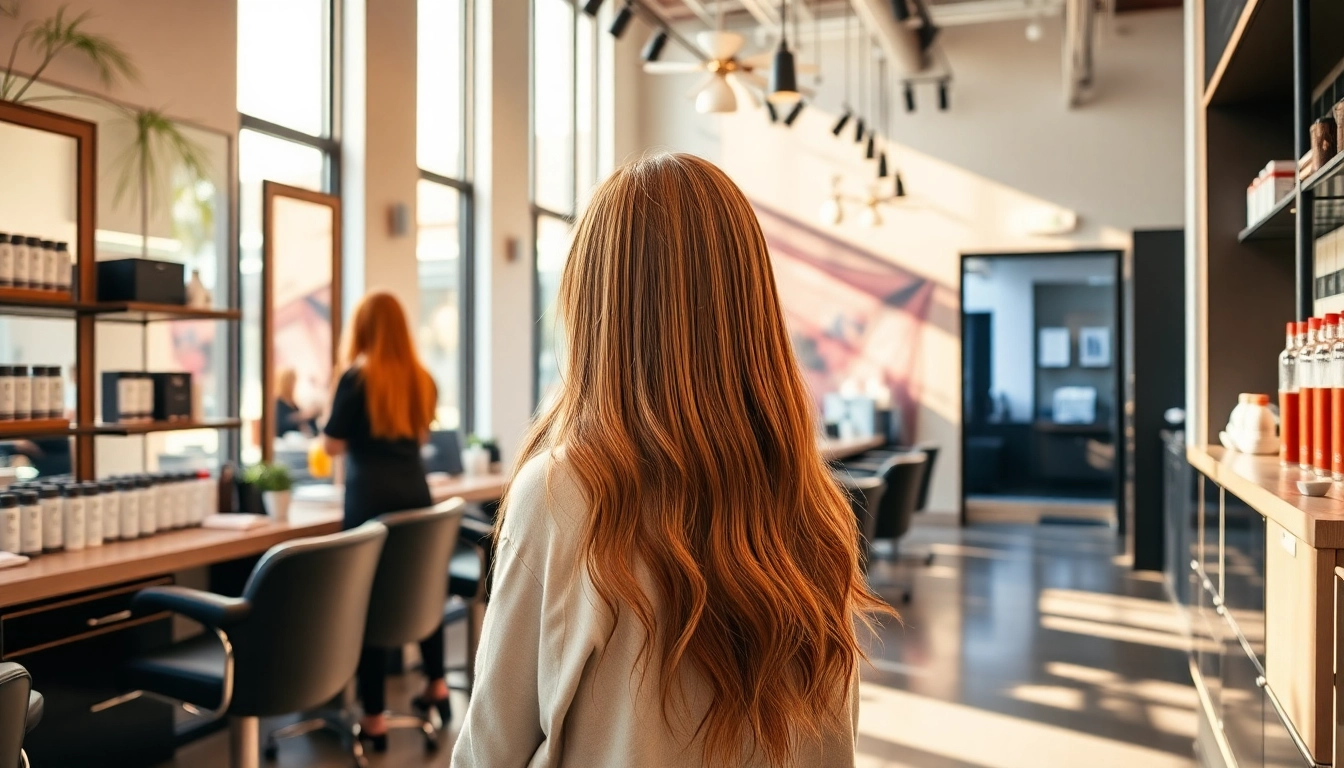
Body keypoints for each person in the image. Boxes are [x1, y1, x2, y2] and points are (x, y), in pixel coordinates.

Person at [452, 154, 893, 767]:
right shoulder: (813, 506)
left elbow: (489, 753)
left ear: (594, 311)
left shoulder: (564, 493)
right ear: (752, 306)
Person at [320, 291, 449, 751]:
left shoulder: (356, 379)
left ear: (363, 329)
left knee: (369, 602)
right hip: (416, 495)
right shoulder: (422, 379)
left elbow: (332, 445)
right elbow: (420, 435)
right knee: (419, 586)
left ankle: (373, 716)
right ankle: (436, 684)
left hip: (370, 501)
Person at [274, 367, 318, 438]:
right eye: (290, 382)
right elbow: (280, 424)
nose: (293, 385)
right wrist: (302, 416)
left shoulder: (293, 404)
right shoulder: (278, 403)